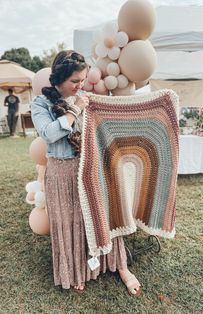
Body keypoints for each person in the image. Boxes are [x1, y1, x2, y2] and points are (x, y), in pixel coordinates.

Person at [30, 50, 141, 296]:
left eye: (82, 80)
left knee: (101, 217)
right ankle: (77, 270)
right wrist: (75, 110)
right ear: (58, 79)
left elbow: (107, 121)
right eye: (75, 81)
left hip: (89, 168)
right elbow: (48, 134)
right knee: (69, 222)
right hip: (60, 172)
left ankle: (118, 265)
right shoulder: (41, 103)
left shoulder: (83, 97)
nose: (81, 85)